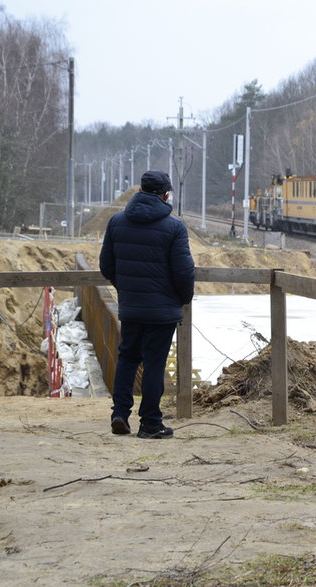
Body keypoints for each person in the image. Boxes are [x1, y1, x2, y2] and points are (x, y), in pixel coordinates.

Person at [99, 170, 195, 439]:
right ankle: (150, 423)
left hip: (131, 306)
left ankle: (119, 413)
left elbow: (106, 265)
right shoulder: (175, 227)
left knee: (128, 357)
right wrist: (182, 298)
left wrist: (127, 289)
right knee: (154, 363)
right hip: (162, 311)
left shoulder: (117, 222)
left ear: (140, 190)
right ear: (165, 195)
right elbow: (184, 272)